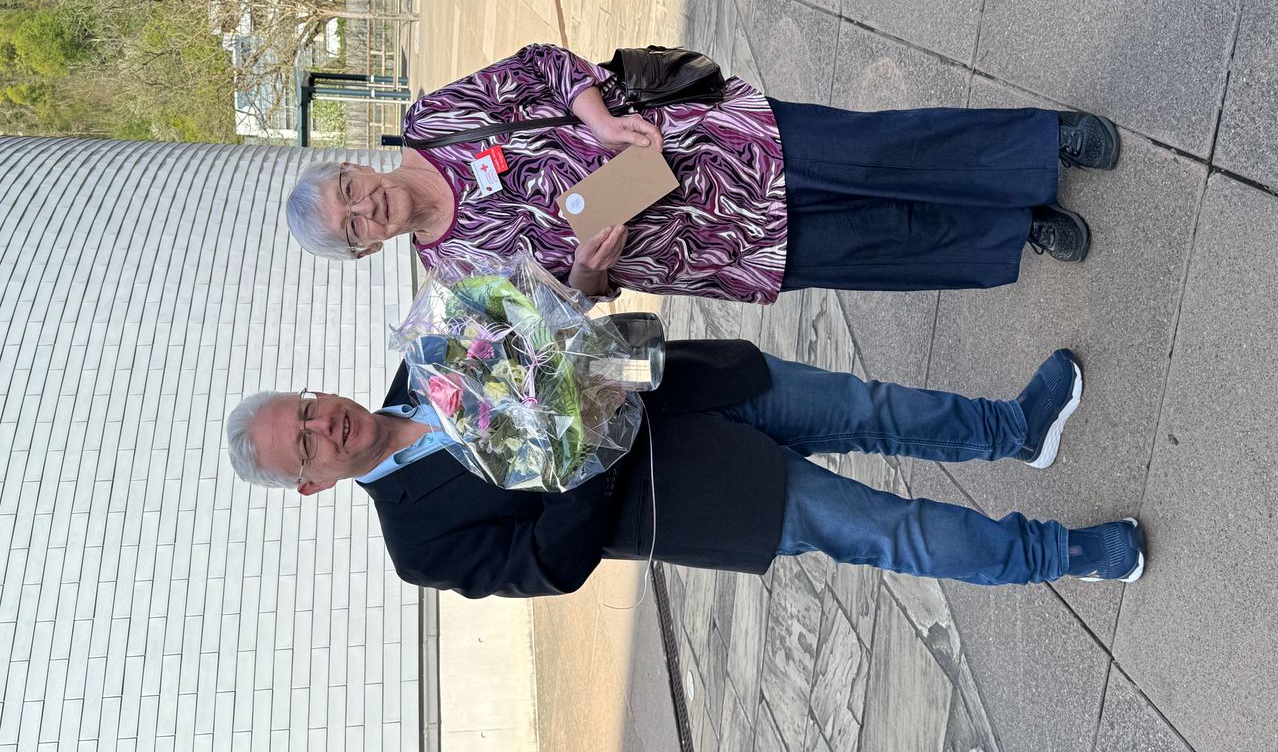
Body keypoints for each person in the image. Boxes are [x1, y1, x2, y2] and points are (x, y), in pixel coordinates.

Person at [225, 344, 1145, 598]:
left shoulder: (427, 356)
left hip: (697, 389)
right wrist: (590, 445)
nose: (322, 424)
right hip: (700, 495)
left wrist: (607, 351)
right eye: (303, 444)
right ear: (311, 485)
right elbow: (550, 563)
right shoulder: (418, 542)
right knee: (891, 530)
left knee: (870, 405)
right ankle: (1060, 556)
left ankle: (1013, 429)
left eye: (304, 409)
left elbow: (555, 332)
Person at [285, 44, 1120, 303]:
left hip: (708, 144)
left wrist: (601, 120)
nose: (368, 206)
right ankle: (1016, 225)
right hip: (706, 248)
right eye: (354, 223)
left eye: (351, 189)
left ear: (357, 167)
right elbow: (559, 320)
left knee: (880, 152)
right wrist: (583, 275)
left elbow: (540, 68)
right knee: (872, 245)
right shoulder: (454, 277)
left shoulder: (438, 121)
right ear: (365, 251)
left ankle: (1037, 152)